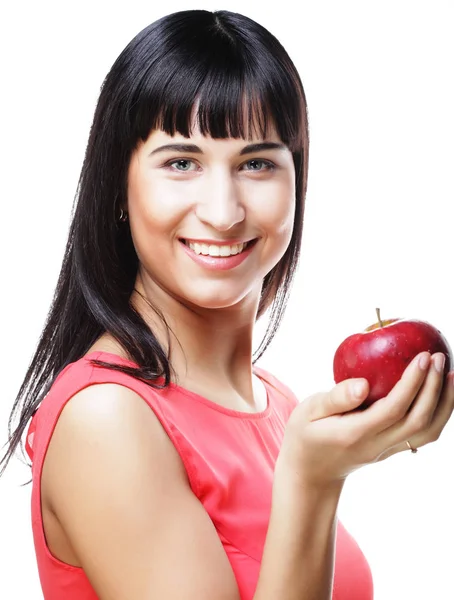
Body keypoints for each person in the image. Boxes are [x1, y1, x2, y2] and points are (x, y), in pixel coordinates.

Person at [1, 9, 453, 600]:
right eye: (181, 163)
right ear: (119, 184)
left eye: (257, 163)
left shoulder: (281, 404)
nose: (224, 210)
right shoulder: (106, 418)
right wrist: (312, 485)